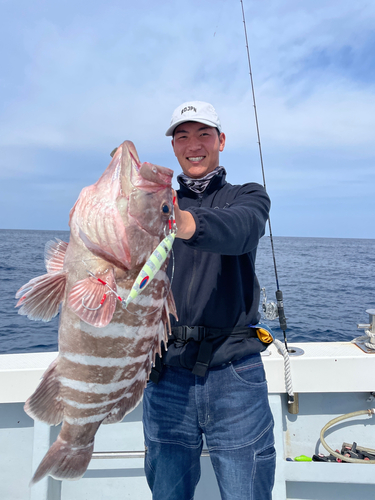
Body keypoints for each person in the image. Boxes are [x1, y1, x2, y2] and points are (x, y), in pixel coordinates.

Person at [142, 101, 275, 500]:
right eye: (182, 136)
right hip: (165, 375)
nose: (193, 144)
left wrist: (184, 222)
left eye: (203, 134)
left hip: (235, 372)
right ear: (174, 147)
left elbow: (242, 230)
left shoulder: (247, 196)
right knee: (167, 493)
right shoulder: (155, 205)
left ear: (220, 140)